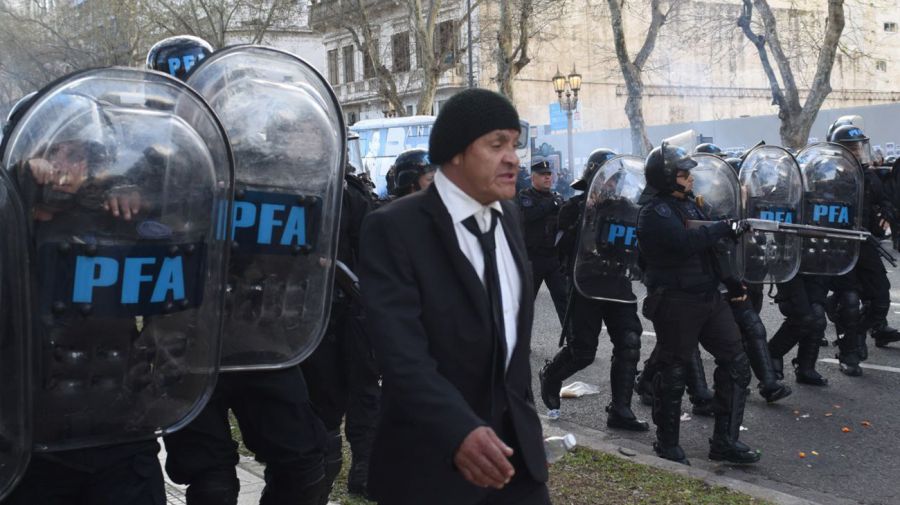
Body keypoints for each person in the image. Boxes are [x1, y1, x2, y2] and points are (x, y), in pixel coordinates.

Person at [152, 38, 332, 505]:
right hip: (182, 339)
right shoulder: (143, 166)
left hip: (259, 335)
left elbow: (312, 228)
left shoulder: (264, 160)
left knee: (303, 463)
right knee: (210, 475)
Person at [359, 88, 549, 505]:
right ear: (456, 153)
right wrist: (458, 431)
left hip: (517, 464)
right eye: (497, 144)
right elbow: (401, 355)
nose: (514, 158)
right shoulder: (394, 228)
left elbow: (511, 348)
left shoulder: (510, 217)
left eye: (514, 144)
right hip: (430, 468)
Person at [637, 143, 759, 466]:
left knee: (736, 363)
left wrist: (733, 283)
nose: (690, 178)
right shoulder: (654, 213)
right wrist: (721, 228)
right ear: (666, 179)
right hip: (676, 301)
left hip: (709, 298)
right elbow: (683, 243)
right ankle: (667, 444)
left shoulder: (692, 206)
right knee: (674, 372)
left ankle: (725, 441)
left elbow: (711, 249)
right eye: (683, 174)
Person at [538, 149, 649, 431]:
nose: (610, 186)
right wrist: (583, 218)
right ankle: (551, 376)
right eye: (606, 180)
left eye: (615, 181)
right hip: (585, 285)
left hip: (618, 284)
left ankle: (620, 410)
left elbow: (640, 244)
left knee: (629, 342)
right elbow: (559, 247)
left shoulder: (627, 209)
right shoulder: (573, 208)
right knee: (583, 351)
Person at [517, 159, 568, 324]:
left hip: (553, 259)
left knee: (564, 301)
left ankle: (573, 344)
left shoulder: (557, 198)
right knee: (525, 303)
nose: (547, 178)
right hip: (533, 259)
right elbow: (530, 216)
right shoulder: (525, 196)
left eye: (549, 175)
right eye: (543, 175)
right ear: (533, 177)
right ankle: (520, 344)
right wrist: (552, 204)